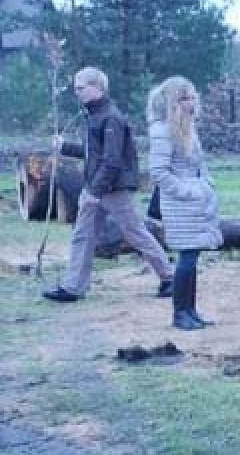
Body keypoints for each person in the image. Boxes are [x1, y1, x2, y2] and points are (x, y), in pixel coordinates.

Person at [42, 67, 174, 304]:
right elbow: (93, 153)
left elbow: (112, 161)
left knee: (136, 234)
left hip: (112, 190)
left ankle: (169, 277)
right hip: (96, 188)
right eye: (76, 88)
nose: (77, 93)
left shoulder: (110, 117)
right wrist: (64, 148)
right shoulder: (95, 115)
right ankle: (73, 288)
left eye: (81, 88)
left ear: (97, 87)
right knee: (82, 237)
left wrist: (94, 191)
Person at [147, 76, 218, 330]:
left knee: (193, 257)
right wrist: (188, 191)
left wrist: (206, 185)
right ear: (172, 102)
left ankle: (191, 310)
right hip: (180, 204)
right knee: (186, 258)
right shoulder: (162, 131)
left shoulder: (188, 127)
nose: (191, 103)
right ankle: (180, 313)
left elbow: (198, 164)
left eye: (192, 97)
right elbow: (159, 171)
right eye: (184, 98)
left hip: (196, 200)